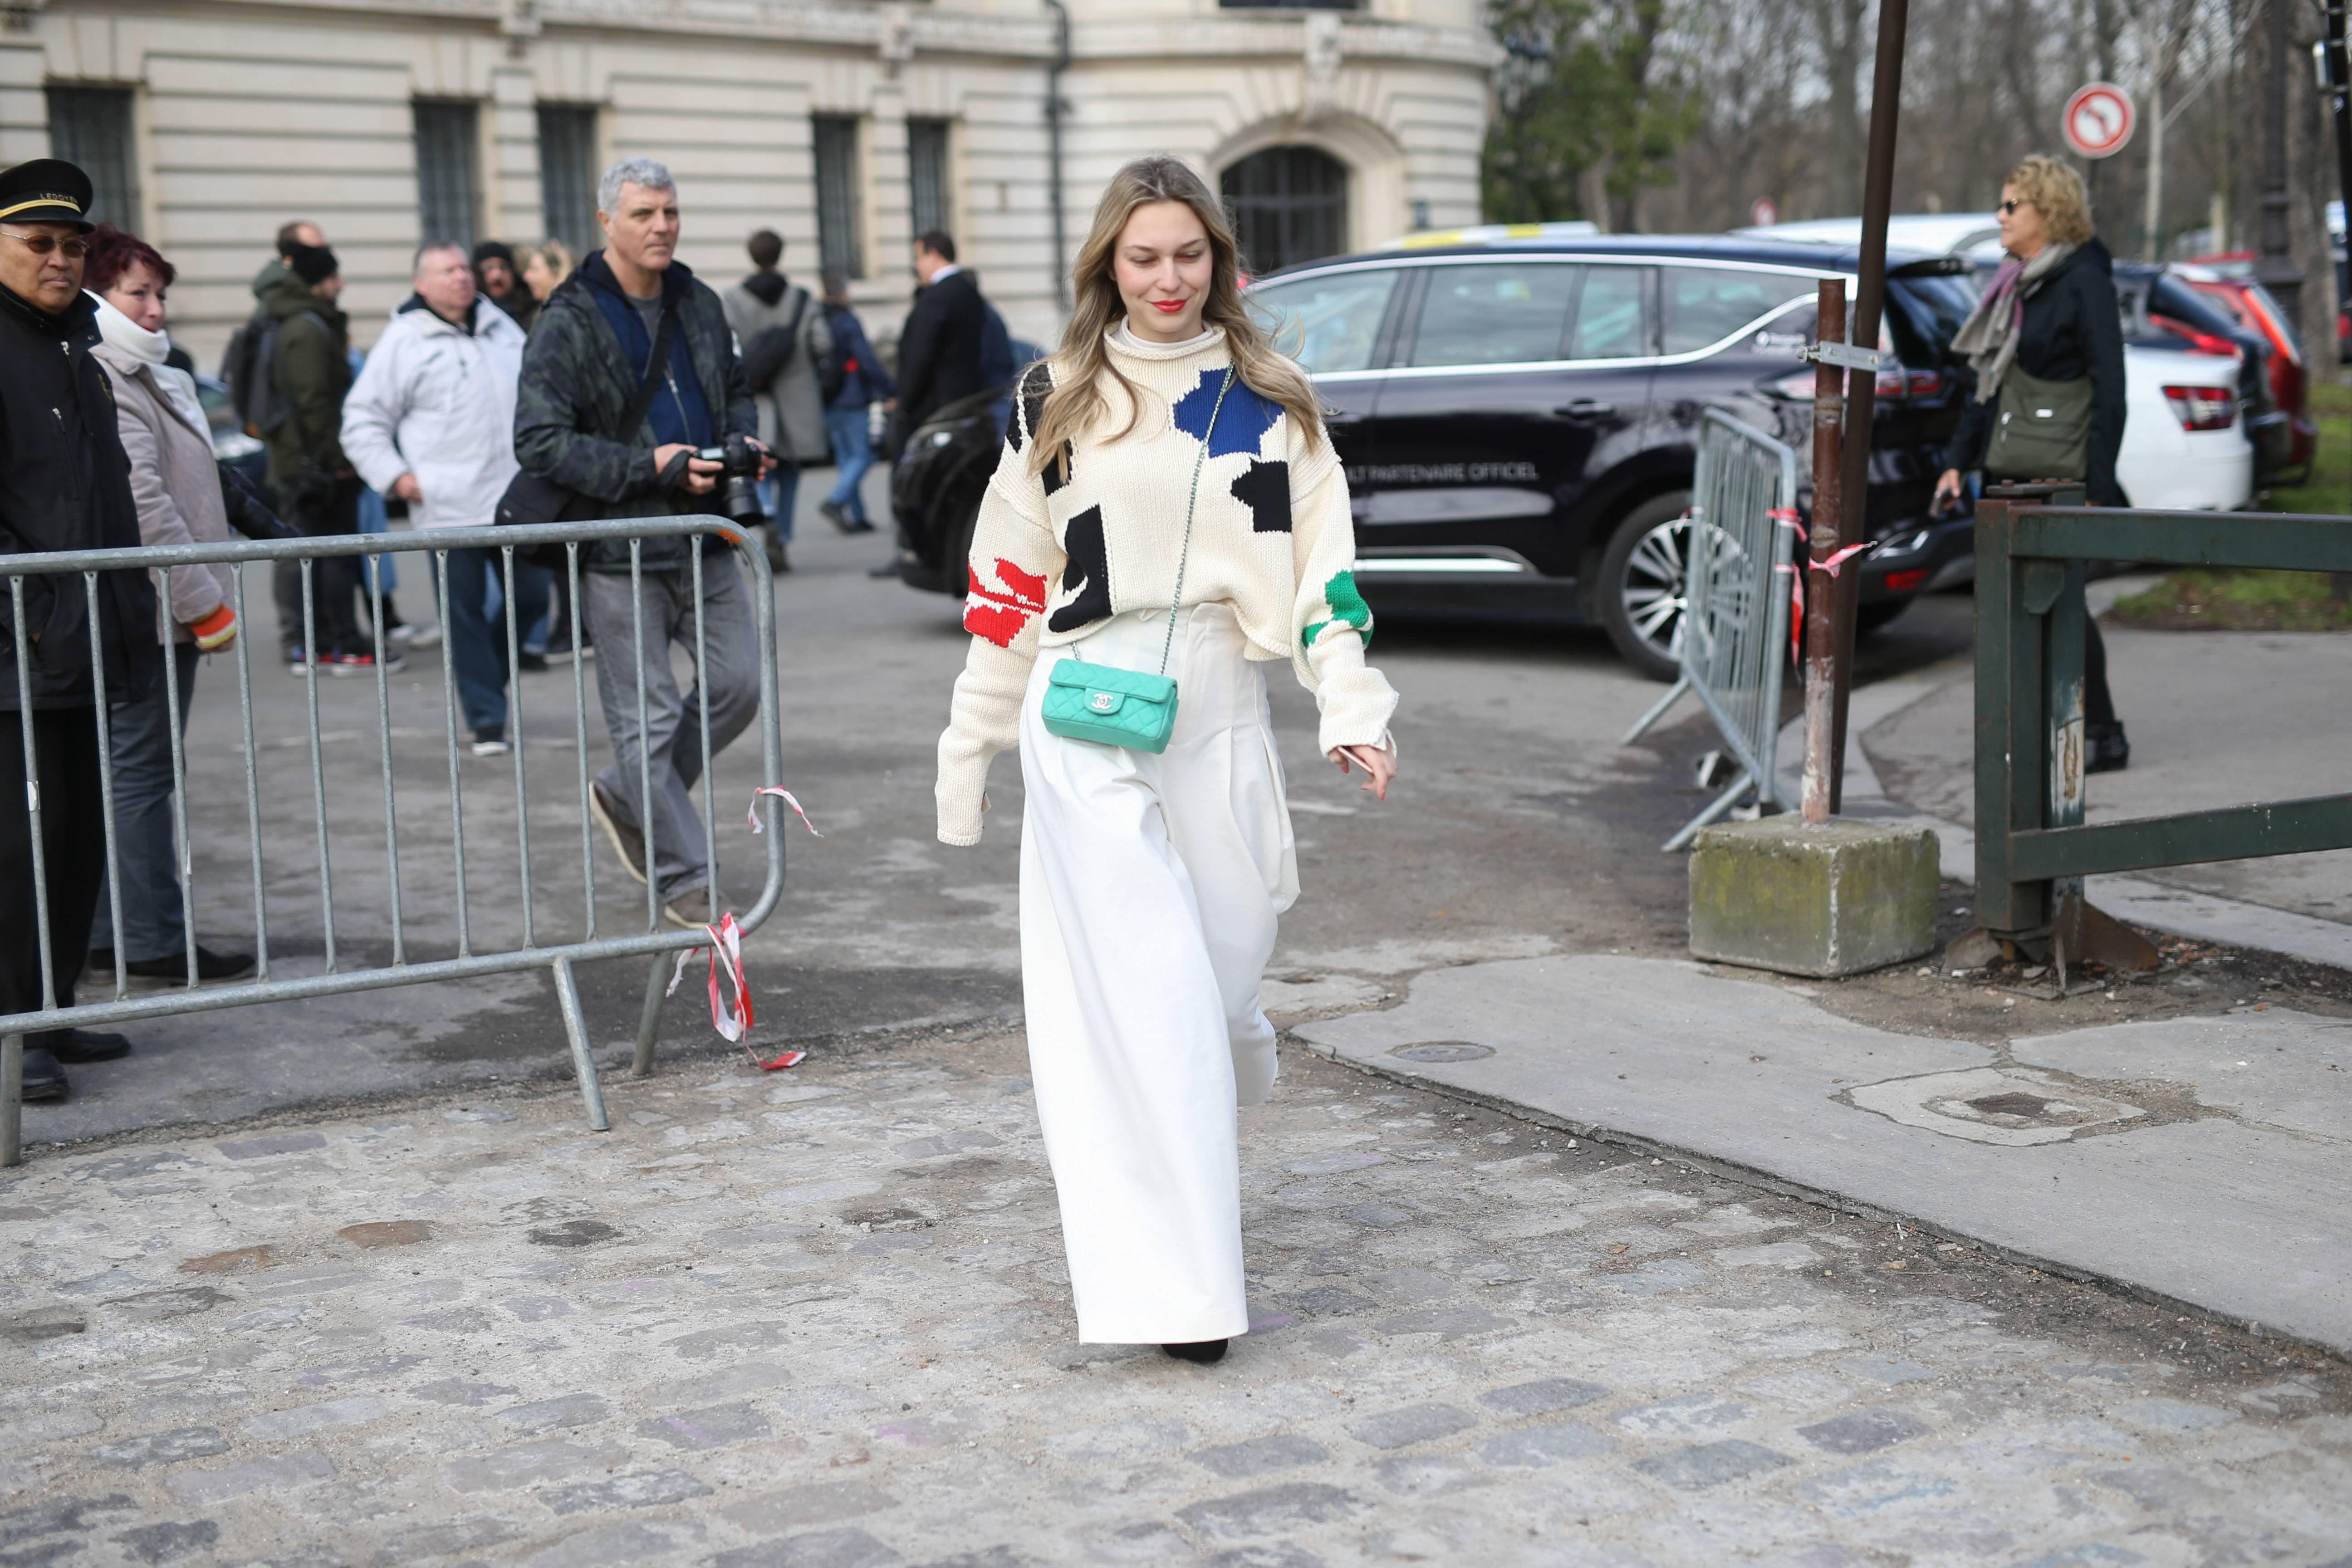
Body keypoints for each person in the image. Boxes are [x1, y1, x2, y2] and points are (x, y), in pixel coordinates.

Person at [933, 156, 1400, 1361]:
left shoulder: (1272, 399)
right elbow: (1008, 584)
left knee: (1225, 970)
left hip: (1216, 704)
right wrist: (971, 743)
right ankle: (1178, 1297)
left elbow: (1324, 576)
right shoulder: (1058, 394)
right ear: (1108, 266)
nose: (1167, 278)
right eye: (1143, 256)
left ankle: (1228, 1047)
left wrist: (1349, 702)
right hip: (1084, 708)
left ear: (1222, 259)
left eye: (1188, 253)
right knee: (1148, 1002)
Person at [513, 157, 769, 930]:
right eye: (643, 215)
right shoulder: (568, 317)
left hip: (705, 536)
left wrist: (739, 442)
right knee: (646, 720)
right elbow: (538, 440)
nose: (661, 226)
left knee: (738, 687)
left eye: (669, 212)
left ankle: (631, 794)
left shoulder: (697, 299)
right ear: (606, 224)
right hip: (618, 549)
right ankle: (684, 873)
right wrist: (643, 466)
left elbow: (734, 388)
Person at [0, 161, 164, 1100]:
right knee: (16, 848)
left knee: (72, 835)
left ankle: (51, 1008)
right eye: (38, 245)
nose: (59, 260)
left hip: (82, 637)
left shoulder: (73, 348)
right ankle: (14, 1033)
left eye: (71, 246)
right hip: (17, 643)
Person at [81, 225, 260, 992]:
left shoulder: (150, 371)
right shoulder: (107, 373)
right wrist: (202, 602)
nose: (155, 310)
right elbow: (144, 503)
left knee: (123, 773)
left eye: (161, 294)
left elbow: (204, 483)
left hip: (163, 610)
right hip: (154, 611)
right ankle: (149, 938)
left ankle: (104, 933)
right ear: (98, 296)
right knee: (140, 775)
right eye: (137, 294)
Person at [1933, 154, 2130, 772]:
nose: (2000, 216)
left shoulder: (2081, 281)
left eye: (2011, 205)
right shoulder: (2015, 283)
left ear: (2048, 210)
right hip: (2010, 466)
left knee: (2060, 602)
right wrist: (1955, 462)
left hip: (2060, 475)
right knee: (2024, 605)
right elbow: (1987, 384)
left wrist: (2097, 486)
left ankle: (2100, 733)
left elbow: (2111, 388)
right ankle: (2049, 730)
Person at [343, 243, 538, 757]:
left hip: (518, 499)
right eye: (447, 271)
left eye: (463, 268)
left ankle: (487, 677)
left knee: (534, 602)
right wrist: (396, 477)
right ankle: (488, 720)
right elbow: (362, 420)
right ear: (422, 285)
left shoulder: (503, 329)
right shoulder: (404, 341)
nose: (461, 277)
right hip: (449, 506)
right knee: (465, 614)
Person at [260, 241, 388, 675]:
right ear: (320, 283)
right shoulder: (308, 328)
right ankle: (331, 644)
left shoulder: (302, 323)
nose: (341, 284)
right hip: (313, 468)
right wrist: (338, 458)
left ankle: (323, 642)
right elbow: (315, 402)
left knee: (318, 554)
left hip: (306, 462)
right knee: (328, 555)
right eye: (335, 277)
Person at [721, 229, 832, 573]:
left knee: (761, 467)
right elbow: (823, 344)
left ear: (751, 256)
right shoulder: (801, 298)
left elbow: (727, 349)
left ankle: (765, 515)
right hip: (798, 399)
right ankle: (782, 534)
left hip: (757, 397)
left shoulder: (734, 299)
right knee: (791, 471)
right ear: (780, 255)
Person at [891, 229, 989, 451]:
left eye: (919, 258)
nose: (917, 266)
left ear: (934, 254)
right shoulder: (969, 292)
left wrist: (905, 402)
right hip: (966, 401)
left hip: (933, 408)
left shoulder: (935, 298)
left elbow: (920, 354)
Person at [816, 271, 893, 534]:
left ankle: (857, 515)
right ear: (844, 293)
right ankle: (836, 501)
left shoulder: (818, 318)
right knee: (864, 455)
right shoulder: (847, 321)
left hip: (828, 398)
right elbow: (867, 359)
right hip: (852, 397)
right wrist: (888, 389)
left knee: (847, 458)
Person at [472, 240, 538, 334]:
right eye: (489, 268)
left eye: (503, 267)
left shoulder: (533, 311)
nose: (497, 275)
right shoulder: (470, 315)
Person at [520, 239, 577, 311]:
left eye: (534, 270)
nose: (526, 277)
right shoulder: (534, 311)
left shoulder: (562, 314)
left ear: (558, 272)